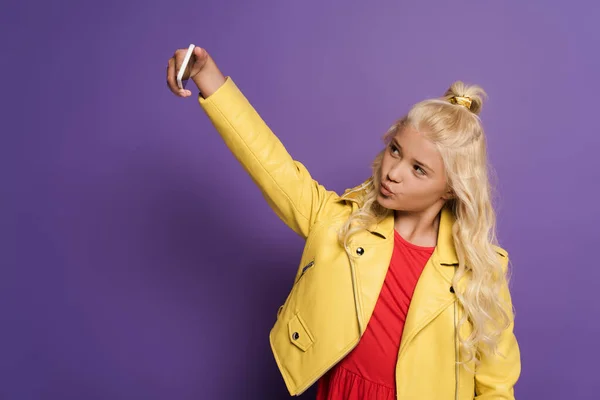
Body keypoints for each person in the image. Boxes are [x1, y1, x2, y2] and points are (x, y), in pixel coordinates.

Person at [166, 45, 521, 400]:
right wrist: (207, 76)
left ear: (450, 189)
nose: (393, 172)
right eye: (395, 150)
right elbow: (271, 165)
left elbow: (496, 387)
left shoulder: (479, 272)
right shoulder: (342, 222)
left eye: (418, 169)